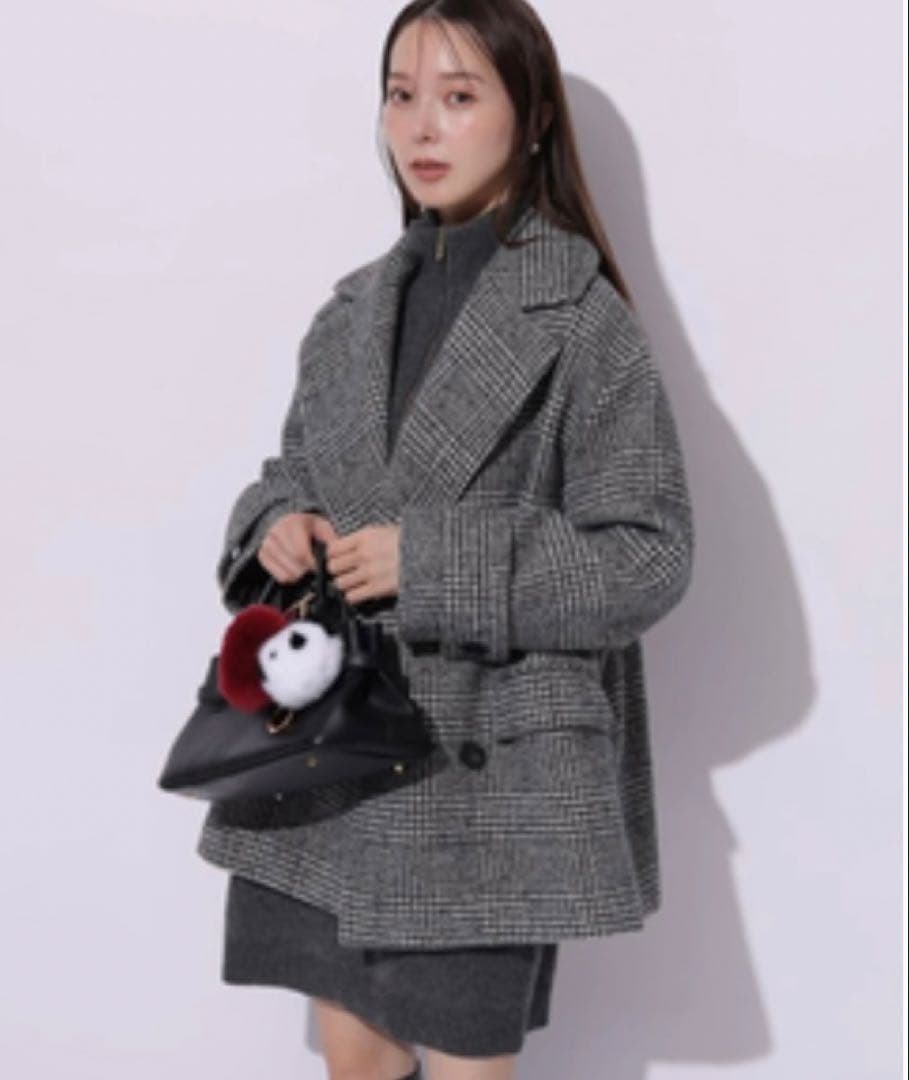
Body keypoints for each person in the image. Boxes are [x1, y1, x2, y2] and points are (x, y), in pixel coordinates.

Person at [196, 2, 695, 1078]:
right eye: (402, 95)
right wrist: (276, 526)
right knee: (353, 1061)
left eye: (460, 96)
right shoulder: (350, 312)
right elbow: (291, 472)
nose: (422, 126)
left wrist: (432, 567)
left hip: (486, 772)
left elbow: (647, 553)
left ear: (533, 118)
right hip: (329, 747)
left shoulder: (581, 319)